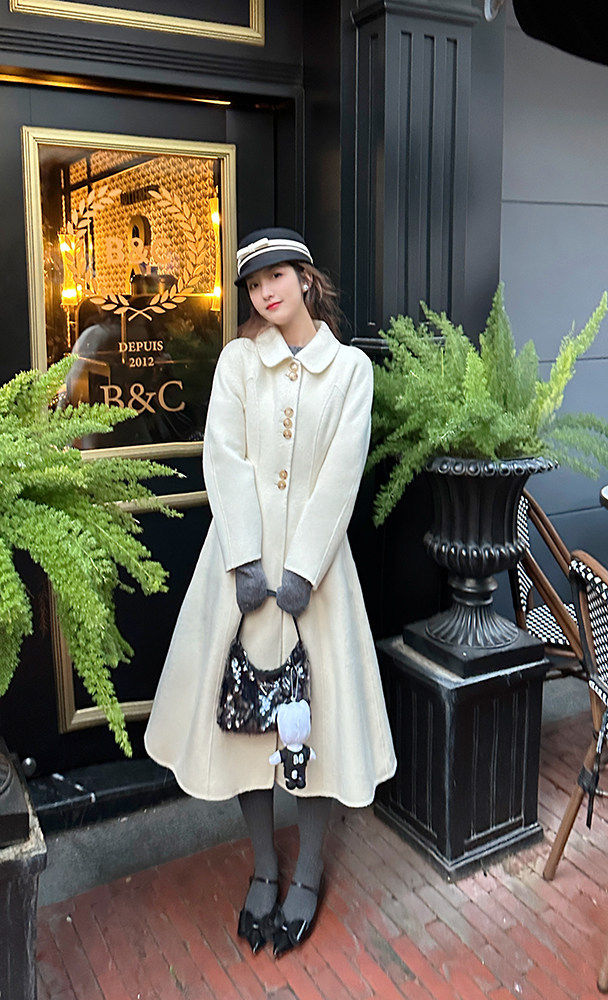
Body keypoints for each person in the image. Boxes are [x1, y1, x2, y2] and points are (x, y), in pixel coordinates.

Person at [145, 227, 396, 956]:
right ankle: (263, 867)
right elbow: (222, 456)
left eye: (276, 276)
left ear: (306, 278)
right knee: (243, 725)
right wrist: (249, 562)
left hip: (318, 583)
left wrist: (303, 570)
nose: (265, 293)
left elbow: (342, 472)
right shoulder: (237, 362)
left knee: (314, 730)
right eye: (254, 285)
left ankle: (308, 874)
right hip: (240, 577)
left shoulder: (350, 371)